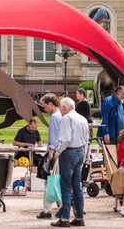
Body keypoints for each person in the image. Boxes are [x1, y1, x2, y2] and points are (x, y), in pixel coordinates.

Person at [51, 97, 89, 227]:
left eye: (61, 107)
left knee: (66, 186)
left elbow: (65, 139)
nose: (60, 110)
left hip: (69, 152)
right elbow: (86, 139)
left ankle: (65, 217)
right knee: (77, 185)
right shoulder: (82, 118)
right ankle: (79, 216)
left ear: (65, 107)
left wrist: (58, 152)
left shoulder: (66, 119)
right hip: (80, 151)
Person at [37, 93, 62, 219]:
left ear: (51, 104)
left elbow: (53, 135)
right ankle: (62, 207)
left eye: (45, 106)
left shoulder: (54, 117)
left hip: (54, 151)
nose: (44, 109)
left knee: (50, 182)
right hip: (61, 151)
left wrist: (51, 151)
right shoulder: (61, 115)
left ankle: (47, 210)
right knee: (58, 181)